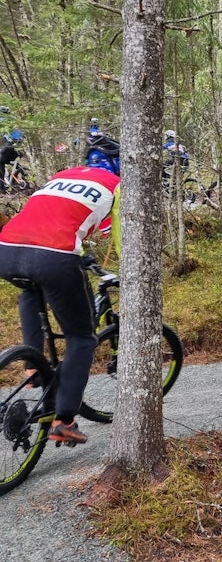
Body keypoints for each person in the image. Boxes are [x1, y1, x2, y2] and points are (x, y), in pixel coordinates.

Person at [0, 162, 121, 445]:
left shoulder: (59, 177)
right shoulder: (117, 186)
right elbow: (119, 234)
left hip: (7, 250)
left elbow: (49, 217)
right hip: (54, 256)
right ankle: (64, 420)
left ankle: (33, 367)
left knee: (30, 291)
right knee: (82, 338)